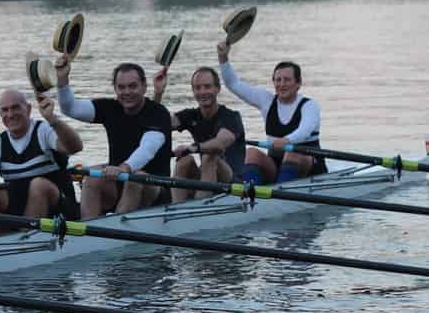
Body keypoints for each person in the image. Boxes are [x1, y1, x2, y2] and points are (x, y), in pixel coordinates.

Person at [57, 57, 173, 218]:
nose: (126, 92)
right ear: (115, 89)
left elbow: (148, 148)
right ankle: (88, 232)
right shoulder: (110, 108)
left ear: (144, 87)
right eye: (121, 87)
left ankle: (117, 230)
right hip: (118, 182)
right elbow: (70, 108)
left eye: (133, 86)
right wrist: (62, 80)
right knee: (91, 178)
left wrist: (124, 168)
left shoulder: (158, 113)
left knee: (134, 179)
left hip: (155, 189)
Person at [0, 88, 84, 237]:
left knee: (38, 185)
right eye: (5, 110)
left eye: (15, 107)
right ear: (0, 114)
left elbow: (75, 147)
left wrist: (53, 119)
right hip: (21, 208)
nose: (10, 114)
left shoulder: (44, 130)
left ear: (28, 109)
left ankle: (24, 240)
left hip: (59, 207)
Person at [217, 40, 324, 184]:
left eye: (287, 80)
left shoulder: (310, 105)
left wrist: (287, 141)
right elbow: (233, 84)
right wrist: (223, 58)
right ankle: (252, 196)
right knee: (251, 153)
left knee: (292, 154)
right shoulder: (266, 101)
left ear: (298, 83)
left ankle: (278, 197)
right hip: (277, 167)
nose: (282, 84)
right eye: (278, 80)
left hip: (310, 167)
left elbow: (305, 130)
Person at [153, 65, 247, 201]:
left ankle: (199, 206)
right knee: (184, 161)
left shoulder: (231, 117)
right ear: (193, 91)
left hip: (232, 181)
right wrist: (158, 93)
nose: (202, 92)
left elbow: (220, 144)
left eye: (207, 86)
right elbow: (157, 124)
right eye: (198, 88)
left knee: (210, 156)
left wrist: (194, 148)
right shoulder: (191, 115)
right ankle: (177, 208)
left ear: (217, 89)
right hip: (207, 176)